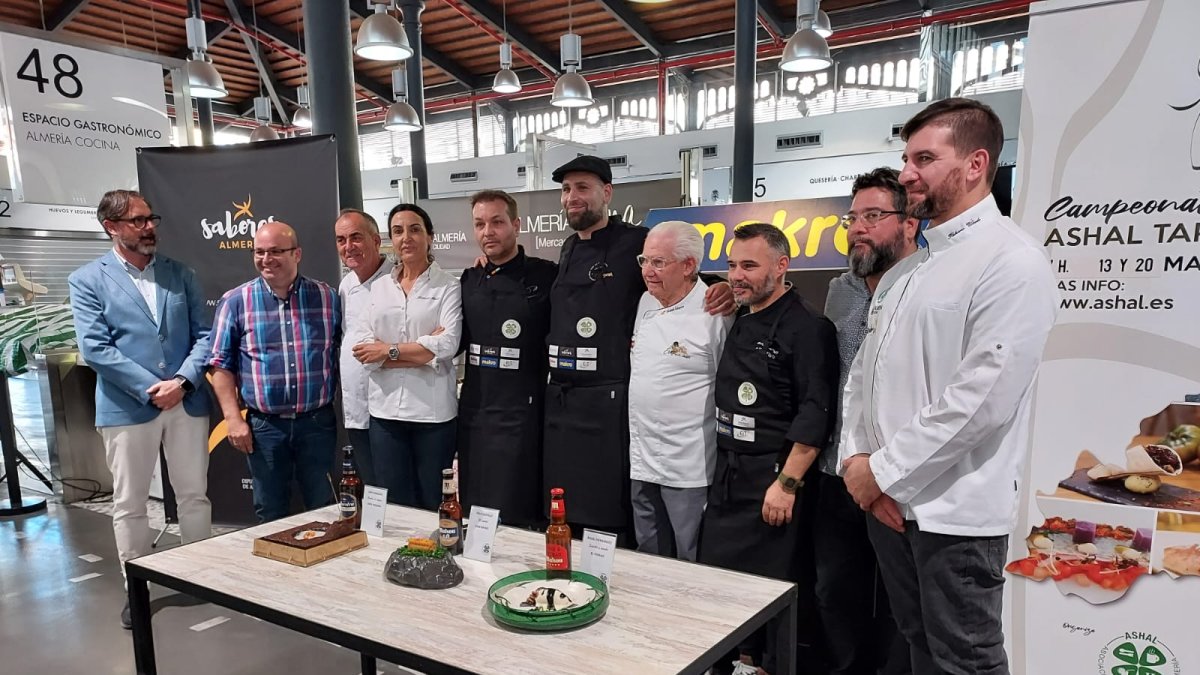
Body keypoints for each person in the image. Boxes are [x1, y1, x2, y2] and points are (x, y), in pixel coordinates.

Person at [838, 97, 1058, 675]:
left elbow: (981, 400)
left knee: (966, 660)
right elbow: (864, 374)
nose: (908, 173)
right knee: (918, 644)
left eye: (924, 159)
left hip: (954, 516)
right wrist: (858, 463)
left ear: (976, 164)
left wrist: (881, 473)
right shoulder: (909, 269)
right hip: (889, 506)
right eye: (906, 158)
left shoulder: (1012, 262)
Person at [543, 155, 734, 538]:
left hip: (610, 406)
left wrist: (723, 287)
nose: (571, 197)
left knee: (616, 513)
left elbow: (681, 275)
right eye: (566, 189)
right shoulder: (567, 248)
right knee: (570, 510)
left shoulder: (633, 241)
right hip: (565, 404)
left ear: (607, 193)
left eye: (582, 188)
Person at [68, 189, 212, 629]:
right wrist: (151, 389)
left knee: (194, 494)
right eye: (138, 220)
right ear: (111, 227)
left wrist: (182, 381)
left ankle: (203, 578)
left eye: (151, 219)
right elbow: (96, 348)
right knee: (130, 503)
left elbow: (204, 336)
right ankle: (137, 588)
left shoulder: (180, 273)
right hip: (127, 407)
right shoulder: (87, 280)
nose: (149, 227)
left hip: (186, 401)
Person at [699, 223, 839, 675]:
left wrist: (786, 484)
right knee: (721, 588)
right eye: (732, 265)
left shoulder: (808, 327)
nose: (737, 275)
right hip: (729, 477)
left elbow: (816, 413)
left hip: (773, 480)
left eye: (749, 266)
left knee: (773, 594)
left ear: (781, 266)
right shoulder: (741, 315)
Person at [816, 168, 918, 675]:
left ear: (909, 224)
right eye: (853, 217)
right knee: (836, 592)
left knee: (904, 605)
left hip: (900, 478)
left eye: (873, 216)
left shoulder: (926, 289)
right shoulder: (840, 289)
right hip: (837, 472)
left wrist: (880, 477)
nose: (858, 227)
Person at [208, 221, 342, 523]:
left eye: (275, 252)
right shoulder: (236, 301)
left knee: (323, 507)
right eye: (259, 252)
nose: (266, 259)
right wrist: (232, 419)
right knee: (269, 511)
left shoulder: (327, 297)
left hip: (317, 424)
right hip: (264, 427)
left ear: (297, 254)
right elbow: (220, 365)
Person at [627, 221, 731, 561]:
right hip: (641, 457)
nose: (648, 271)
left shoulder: (715, 311)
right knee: (648, 551)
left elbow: (727, 385)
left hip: (689, 464)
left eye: (658, 262)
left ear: (688, 266)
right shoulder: (645, 302)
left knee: (691, 557)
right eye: (644, 260)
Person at [457, 190, 555, 528]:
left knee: (517, 512)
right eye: (480, 224)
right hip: (475, 414)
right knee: (475, 510)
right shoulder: (469, 280)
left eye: (497, 222)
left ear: (516, 224)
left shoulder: (546, 275)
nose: (488, 232)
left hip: (523, 417)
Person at [354, 204, 461, 510]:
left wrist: (386, 350)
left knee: (434, 501)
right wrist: (423, 352)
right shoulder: (378, 288)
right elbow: (363, 348)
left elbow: (448, 344)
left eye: (415, 229)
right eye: (398, 231)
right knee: (395, 505)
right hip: (385, 415)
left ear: (430, 237)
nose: (406, 238)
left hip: (433, 416)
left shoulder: (449, 286)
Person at [334, 208, 393, 486]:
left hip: (392, 409)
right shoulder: (345, 285)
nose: (349, 246)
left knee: (394, 488)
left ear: (376, 240)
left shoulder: (399, 278)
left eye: (356, 237)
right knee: (371, 486)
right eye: (341, 240)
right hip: (357, 408)